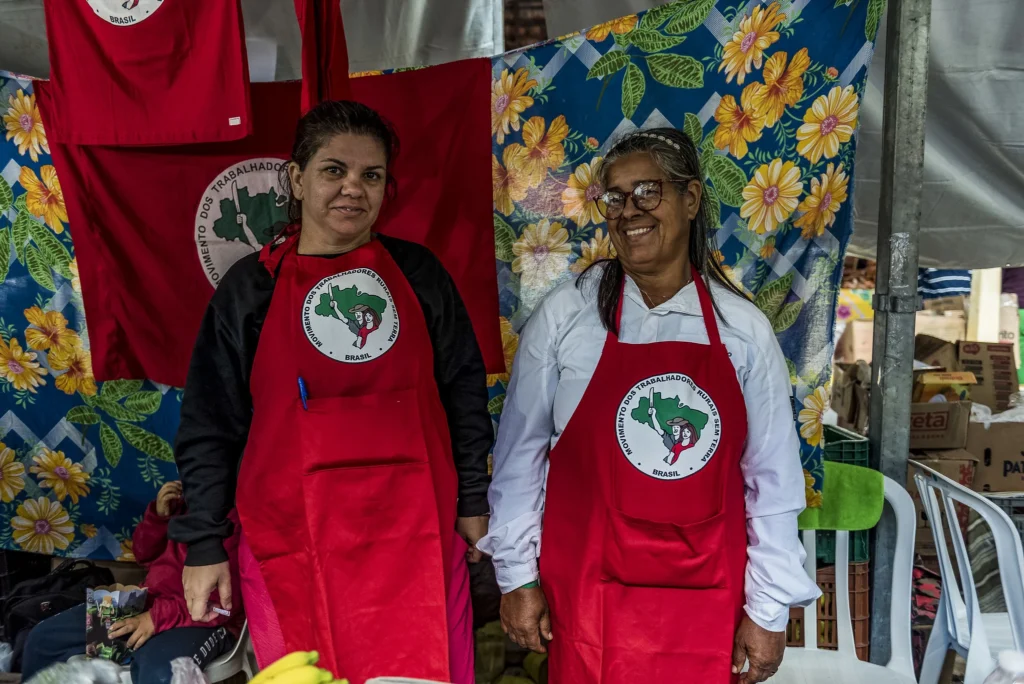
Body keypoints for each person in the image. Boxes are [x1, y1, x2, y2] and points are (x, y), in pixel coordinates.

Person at [477, 128, 821, 684]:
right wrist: (517, 578)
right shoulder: (568, 318)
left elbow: (773, 483)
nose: (628, 210)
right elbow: (520, 459)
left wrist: (768, 610)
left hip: (706, 595)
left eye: (647, 191)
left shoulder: (743, 331)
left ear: (690, 199)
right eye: (614, 197)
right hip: (590, 591)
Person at [169, 100, 491, 684]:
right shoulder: (252, 288)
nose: (352, 189)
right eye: (333, 170)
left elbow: (463, 391)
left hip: (415, 539)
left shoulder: (419, 275)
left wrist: (472, 498)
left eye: (371, 176)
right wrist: (203, 544)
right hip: (290, 544)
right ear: (296, 177)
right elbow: (210, 424)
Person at [21, 481, 241, 684]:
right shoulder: (183, 508)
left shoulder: (238, 519)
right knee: (43, 640)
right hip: (145, 605)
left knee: (162, 674)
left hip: (202, 620)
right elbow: (144, 555)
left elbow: (224, 606)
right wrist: (158, 518)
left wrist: (154, 618)